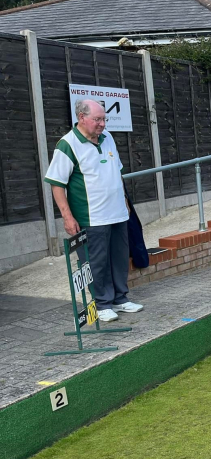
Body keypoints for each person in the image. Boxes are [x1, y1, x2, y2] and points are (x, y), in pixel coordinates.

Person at [43, 99, 143, 323]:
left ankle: (120, 298)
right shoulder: (67, 144)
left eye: (104, 119)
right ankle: (101, 303)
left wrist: (125, 201)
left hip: (117, 212)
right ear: (81, 117)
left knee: (118, 258)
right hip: (91, 216)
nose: (102, 124)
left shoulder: (108, 139)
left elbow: (117, 172)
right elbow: (57, 184)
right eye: (97, 119)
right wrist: (67, 217)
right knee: (96, 261)